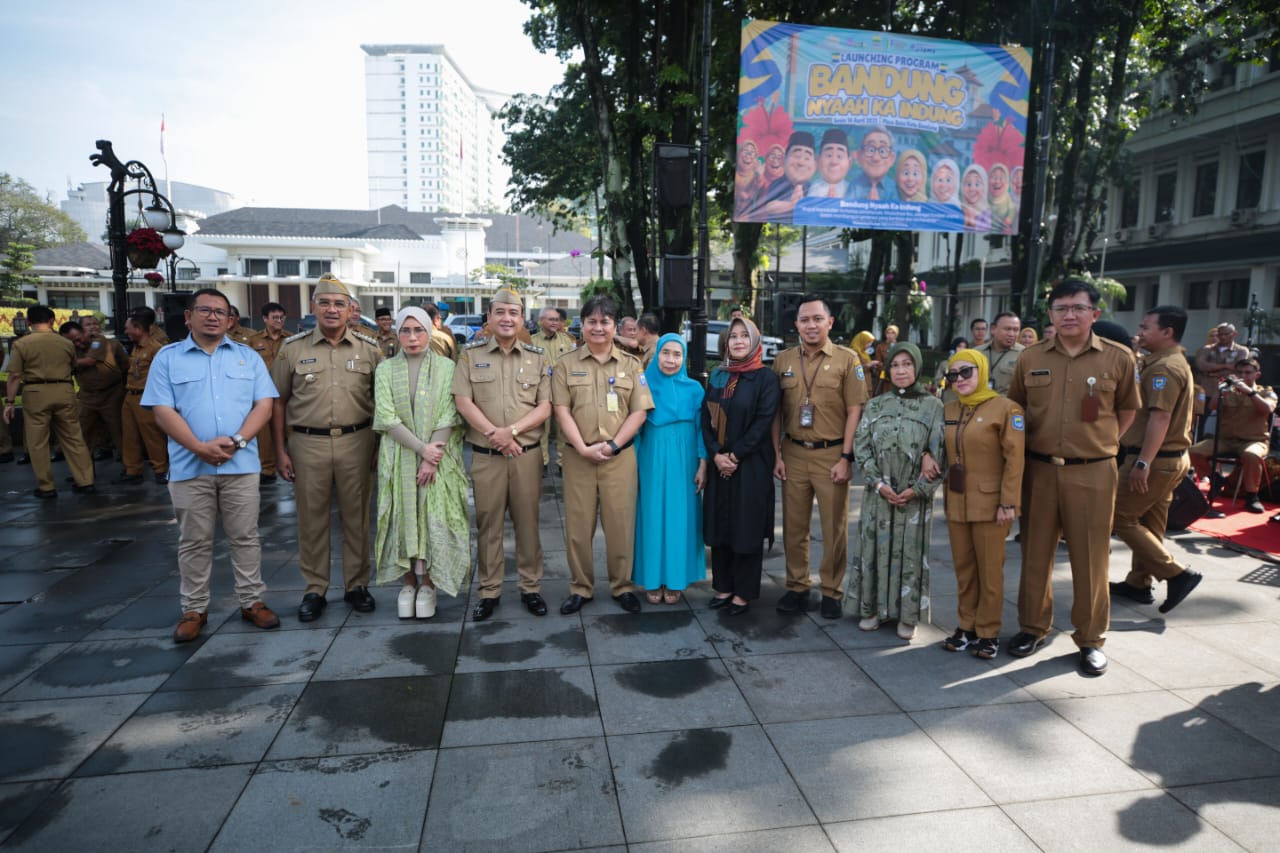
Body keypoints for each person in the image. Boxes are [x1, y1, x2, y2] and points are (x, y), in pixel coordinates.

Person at [1008, 278, 1140, 677]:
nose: (1069, 315)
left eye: (1078, 308)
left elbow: (1127, 411)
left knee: (1091, 558)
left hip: (1093, 471)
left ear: (1094, 314)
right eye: (1061, 308)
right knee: (1035, 553)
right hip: (1039, 470)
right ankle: (1032, 627)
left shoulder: (1118, 358)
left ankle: (1091, 638)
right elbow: (1015, 409)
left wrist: (1100, 444)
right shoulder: (1030, 357)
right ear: (1050, 314)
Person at [142, 288, 280, 643]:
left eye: (221, 312)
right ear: (189, 317)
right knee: (194, 540)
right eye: (205, 310)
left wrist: (237, 441)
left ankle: (252, 601)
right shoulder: (168, 358)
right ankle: (194, 609)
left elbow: (264, 405)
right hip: (190, 466)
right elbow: (161, 410)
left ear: (230, 319)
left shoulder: (248, 358)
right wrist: (198, 447)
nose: (213, 317)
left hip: (240, 464)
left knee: (245, 536)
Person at [272, 274, 382, 621]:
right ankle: (315, 588)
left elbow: (382, 402)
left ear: (350, 310)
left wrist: (378, 447)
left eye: (339, 304)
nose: (332, 310)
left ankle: (357, 585)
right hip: (308, 443)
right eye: (325, 303)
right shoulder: (292, 349)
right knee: (312, 519)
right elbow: (278, 402)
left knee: (357, 517)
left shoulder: (370, 350)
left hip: (357, 441)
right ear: (313, 307)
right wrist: (280, 451)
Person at [453, 289, 553, 619]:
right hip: (486, 456)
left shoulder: (537, 357)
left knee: (528, 524)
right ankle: (489, 590)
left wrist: (510, 432)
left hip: (525, 455)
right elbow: (463, 402)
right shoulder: (470, 355)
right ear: (489, 317)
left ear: (522, 318)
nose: (507, 318)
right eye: (500, 312)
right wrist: (496, 436)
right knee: (488, 525)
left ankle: (530, 587)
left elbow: (545, 407)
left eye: (513, 312)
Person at [552, 295, 654, 615]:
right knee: (578, 527)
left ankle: (622, 586)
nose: (598, 327)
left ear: (615, 326)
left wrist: (613, 445)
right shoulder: (566, 364)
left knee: (620, 525)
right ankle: (580, 588)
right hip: (577, 457)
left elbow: (639, 412)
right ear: (582, 325)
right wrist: (583, 448)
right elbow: (561, 410)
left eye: (605, 322)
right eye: (591, 321)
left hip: (619, 459)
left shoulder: (631, 365)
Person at [772, 295, 869, 618]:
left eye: (817, 319)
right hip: (794, 453)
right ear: (796, 325)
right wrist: (777, 455)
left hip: (832, 454)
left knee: (834, 527)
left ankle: (831, 590)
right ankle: (797, 585)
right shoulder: (783, 361)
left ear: (830, 322)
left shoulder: (847, 360)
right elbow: (774, 413)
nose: (811, 325)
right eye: (804, 320)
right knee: (794, 525)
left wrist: (846, 457)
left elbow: (855, 410)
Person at [373, 306, 470, 620]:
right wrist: (420, 449)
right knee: (401, 515)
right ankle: (407, 582)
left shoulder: (446, 367)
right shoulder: (385, 369)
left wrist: (431, 457)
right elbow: (385, 416)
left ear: (430, 332)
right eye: (406, 330)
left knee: (432, 516)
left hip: (438, 459)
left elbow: (449, 414)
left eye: (419, 330)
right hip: (399, 456)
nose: (412, 337)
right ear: (397, 333)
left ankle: (428, 582)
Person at [845, 342, 944, 640]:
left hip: (914, 498)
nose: (901, 370)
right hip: (879, 493)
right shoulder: (876, 405)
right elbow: (862, 447)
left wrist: (918, 489)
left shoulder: (933, 406)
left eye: (907, 364)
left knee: (910, 553)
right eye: (896, 365)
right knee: (874, 548)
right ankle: (872, 609)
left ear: (917, 367)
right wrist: (878, 483)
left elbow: (941, 452)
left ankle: (907, 615)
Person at [1110, 306, 1202, 613]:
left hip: (1154, 459)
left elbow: (1160, 418)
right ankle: (1139, 582)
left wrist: (1143, 463)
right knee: (1151, 521)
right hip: (1168, 458)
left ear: (1167, 332)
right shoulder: (1164, 361)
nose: (1139, 332)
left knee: (1119, 517)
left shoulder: (1165, 368)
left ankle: (1177, 574)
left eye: (1145, 327)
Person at [939, 350, 1024, 658]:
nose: (960, 379)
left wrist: (1009, 503)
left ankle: (988, 631)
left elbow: (1015, 460)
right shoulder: (949, 408)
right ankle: (966, 626)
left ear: (982, 371)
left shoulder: (1006, 409)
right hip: (957, 501)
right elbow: (937, 447)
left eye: (967, 372)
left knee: (989, 572)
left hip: (991, 505)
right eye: (953, 374)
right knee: (964, 569)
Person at [702, 319, 780, 614]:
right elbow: (705, 417)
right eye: (732, 336)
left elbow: (762, 422)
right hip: (718, 464)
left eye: (743, 336)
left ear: (755, 341)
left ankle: (743, 593)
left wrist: (733, 457)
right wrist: (716, 454)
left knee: (746, 526)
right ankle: (723, 586)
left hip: (750, 465)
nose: (737, 341)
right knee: (721, 524)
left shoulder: (765, 379)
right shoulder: (718, 375)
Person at [634, 334, 706, 605]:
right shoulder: (643, 385)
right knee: (652, 515)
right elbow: (636, 428)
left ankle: (676, 579)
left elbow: (702, 430)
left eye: (677, 354)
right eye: (666, 353)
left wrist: (703, 464)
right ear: (656, 356)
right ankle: (653, 579)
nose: (671, 360)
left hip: (685, 459)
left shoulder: (695, 389)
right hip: (652, 456)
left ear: (684, 358)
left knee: (680, 517)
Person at [2, 305, 95, 498]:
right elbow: (73, 366)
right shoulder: (65, 343)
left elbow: (14, 375)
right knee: (74, 438)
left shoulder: (21, 344)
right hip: (64, 390)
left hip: (36, 392)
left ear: (28, 322)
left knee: (38, 442)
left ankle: (46, 487)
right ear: (52, 321)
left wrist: (10, 402)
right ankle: (86, 481)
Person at [1190, 357, 1276, 514]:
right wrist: (1220, 392)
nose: (1243, 376)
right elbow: (1212, 406)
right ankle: (1216, 479)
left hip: (1254, 440)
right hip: (1226, 440)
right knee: (1194, 451)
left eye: (1247, 372)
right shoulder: (1228, 390)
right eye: (1239, 372)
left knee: (1251, 455)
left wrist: (1250, 392)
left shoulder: (1266, 392)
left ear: (1257, 375)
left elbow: (1267, 409)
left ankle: (1252, 496)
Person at [62, 319, 128, 465]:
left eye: (79, 339)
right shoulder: (70, 350)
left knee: (119, 432)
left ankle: (130, 468)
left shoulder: (109, 344)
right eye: (73, 342)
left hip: (111, 394)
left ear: (83, 332)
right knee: (83, 433)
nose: (78, 344)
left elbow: (125, 367)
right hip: (87, 396)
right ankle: (84, 471)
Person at [117, 311, 170, 485]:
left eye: (128, 328)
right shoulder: (136, 347)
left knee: (152, 436)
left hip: (146, 398)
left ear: (139, 329)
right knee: (129, 436)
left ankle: (161, 469)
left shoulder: (156, 348)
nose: (126, 332)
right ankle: (133, 470)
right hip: (130, 396)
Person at [247, 302, 290, 484]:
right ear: (265, 319)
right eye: (275, 317)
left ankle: (293, 464)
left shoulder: (291, 340)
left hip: (286, 391)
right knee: (264, 432)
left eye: (281, 317)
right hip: (263, 392)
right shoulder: (253, 341)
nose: (279, 321)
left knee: (290, 429)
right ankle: (267, 468)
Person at [535, 306, 577, 469]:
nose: (555, 322)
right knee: (542, 429)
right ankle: (543, 462)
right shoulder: (531, 341)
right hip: (541, 392)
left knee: (563, 428)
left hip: (562, 391)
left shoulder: (567, 341)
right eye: (551, 319)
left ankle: (562, 463)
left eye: (557, 319)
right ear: (541, 321)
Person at [760, 131, 817, 221]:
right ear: (785, 159)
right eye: (797, 156)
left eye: (807, 158)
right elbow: (769, 207)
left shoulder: (815, 188)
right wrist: (793, 205)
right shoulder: (778, 184)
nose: (801, 162)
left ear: (815, 165)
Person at [1194, 322, 1249, 408]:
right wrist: (1225, 366)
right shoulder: (1207, 349)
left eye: (1226, 334)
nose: (1223, 337)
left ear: (1234, 334)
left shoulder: (1241, 351)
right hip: (1207, 391)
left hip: (1229, 393)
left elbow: (1238, 369)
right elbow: (1201, 365)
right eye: (1220, 334)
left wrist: (1211, 373)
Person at [973, 311, 1024, 394]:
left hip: (1007, 402)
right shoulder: (976, 353)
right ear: (993, 329)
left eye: (1016, 330)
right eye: (1007, 329)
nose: (1011, 334)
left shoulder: (1024, 354)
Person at [850, 126, 898, 201]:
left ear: (891, 159)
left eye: (882, 151)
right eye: (870, 150)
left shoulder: (893, 188)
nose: (876, 158)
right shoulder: (855, 186)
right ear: (859, 156)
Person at [806, 129, 852, 198]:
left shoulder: (853, 190)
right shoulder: (812, 189)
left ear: (849, 163)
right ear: (818, 161)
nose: (834, 162)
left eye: (839, 156)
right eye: (829, 155)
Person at [961, 164, 992, 232]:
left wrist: (973, 223)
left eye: (977, 184)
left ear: (984, 187)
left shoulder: (986, 212)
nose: (972, 189)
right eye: (968, 184)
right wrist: (964, 223)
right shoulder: (961, 209)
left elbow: (987, 229)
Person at [849, 330, 878, 398]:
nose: (870, 345)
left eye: (871, 343)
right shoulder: (854, 352)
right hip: (858, 385)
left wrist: (872, 366)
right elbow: (853, 369)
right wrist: (869, 365)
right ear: (862, 341)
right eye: (868, 342)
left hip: (866, 384)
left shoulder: (863, 352)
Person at [988, 163, 1016, 233]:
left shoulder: (1007, 198)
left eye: (1001, 178)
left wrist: (1009, 219)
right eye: (994, 178)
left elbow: (1012, 210)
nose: (997, 182)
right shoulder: (984, 196)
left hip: (1002, 232)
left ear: (1007, 182)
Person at [872, 324, 898, 395]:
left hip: (897, 375)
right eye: (888, 333)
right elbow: (878, 362)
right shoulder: (880, 347)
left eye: (892, 333)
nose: (890, 335)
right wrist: (886, 369)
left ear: (896, 334)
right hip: (884, 374)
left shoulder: (899, 346)